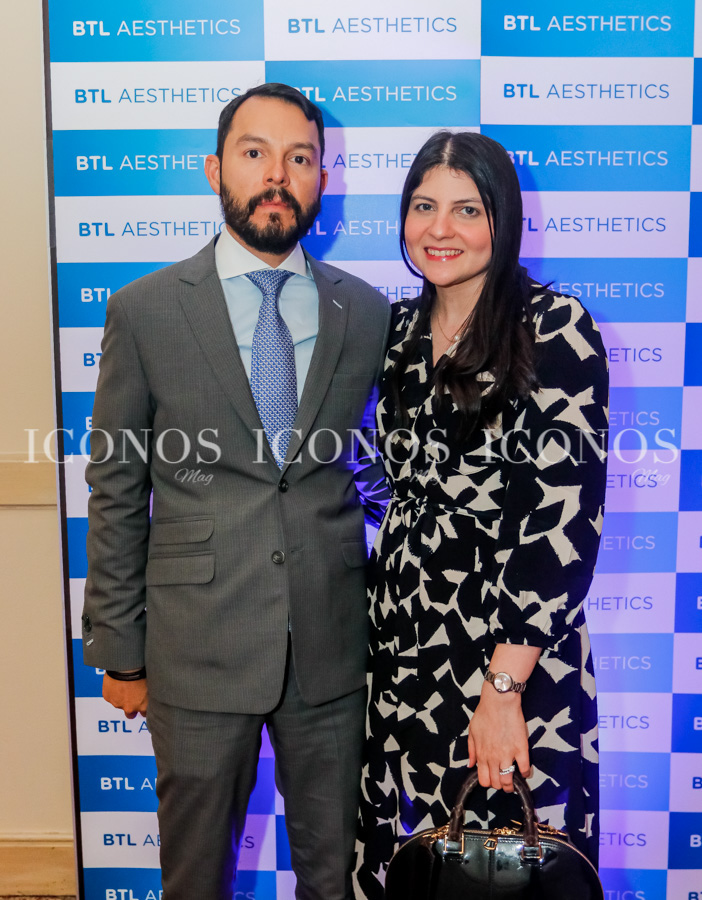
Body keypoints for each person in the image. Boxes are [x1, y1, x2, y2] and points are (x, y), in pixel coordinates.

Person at [81, 82, 390, 900]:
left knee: (337, 876)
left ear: (325, 178)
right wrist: (119, 646)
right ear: (217, 169)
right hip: (195, 651)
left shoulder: (366, 313)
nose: (277, 175)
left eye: (300, 158)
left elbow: (390, 470)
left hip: (332, 648)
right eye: (255, 154)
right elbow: (115, 485)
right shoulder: (144, 311)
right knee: (195, 876)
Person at [354, 131, 608, 897]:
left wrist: (504, 693)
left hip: (503, 652)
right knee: (417, 866)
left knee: (506, 866)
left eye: (468, 209)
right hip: (401, 644)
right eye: (423, 206)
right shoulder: (395, 333)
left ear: (504, 219)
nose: (441, 229)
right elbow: (385, 472)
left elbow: (562, 524)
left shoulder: (555, 326)